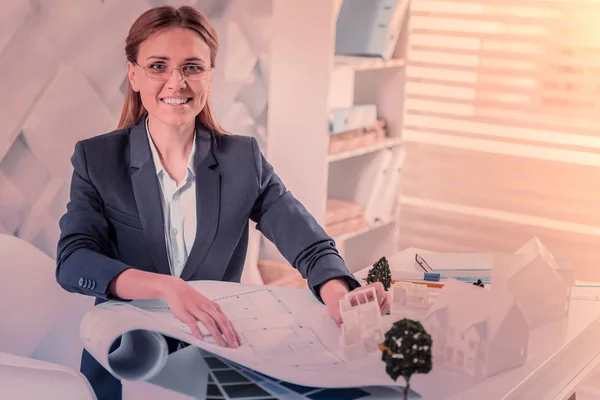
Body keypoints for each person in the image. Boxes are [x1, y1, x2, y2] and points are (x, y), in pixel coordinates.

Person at [55, 5, 389, 400]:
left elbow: (309, 244)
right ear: (134, 74)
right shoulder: (98, 159)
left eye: (192, 67)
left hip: (213, 361)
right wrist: (166, 288)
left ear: (210, 76)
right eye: (158, 66)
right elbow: (73, 260)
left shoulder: (242, 160)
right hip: (128, 363)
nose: (175, 82)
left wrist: (339, 294)